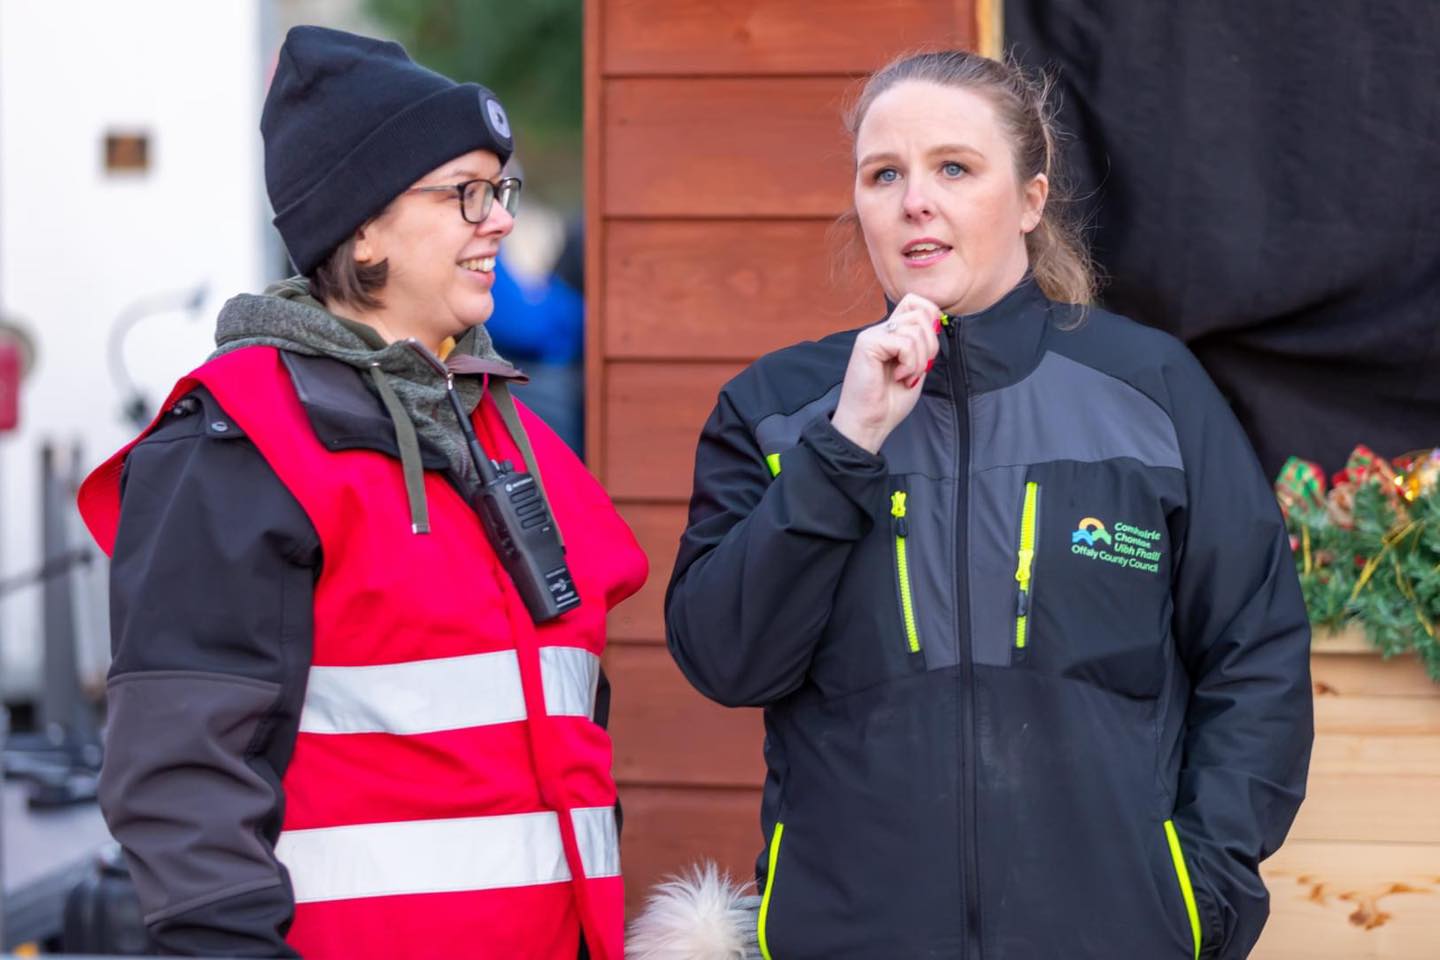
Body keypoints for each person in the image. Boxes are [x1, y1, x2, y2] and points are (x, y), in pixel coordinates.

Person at [662, 51, 1312, 959]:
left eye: (954, 168)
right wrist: (846, 445)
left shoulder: (1152, 391)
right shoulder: (777, 413)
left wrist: (1195, 895)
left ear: (1032, 200)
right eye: (884, 175)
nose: (915, 202)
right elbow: (727, 660)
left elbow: (1256, 655)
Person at [77, 26, 646, 960]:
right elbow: (183, 780)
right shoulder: (238, 445)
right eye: (465, 193)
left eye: (499, 191)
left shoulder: (510, 436)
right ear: (365, 228)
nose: (499, 221)